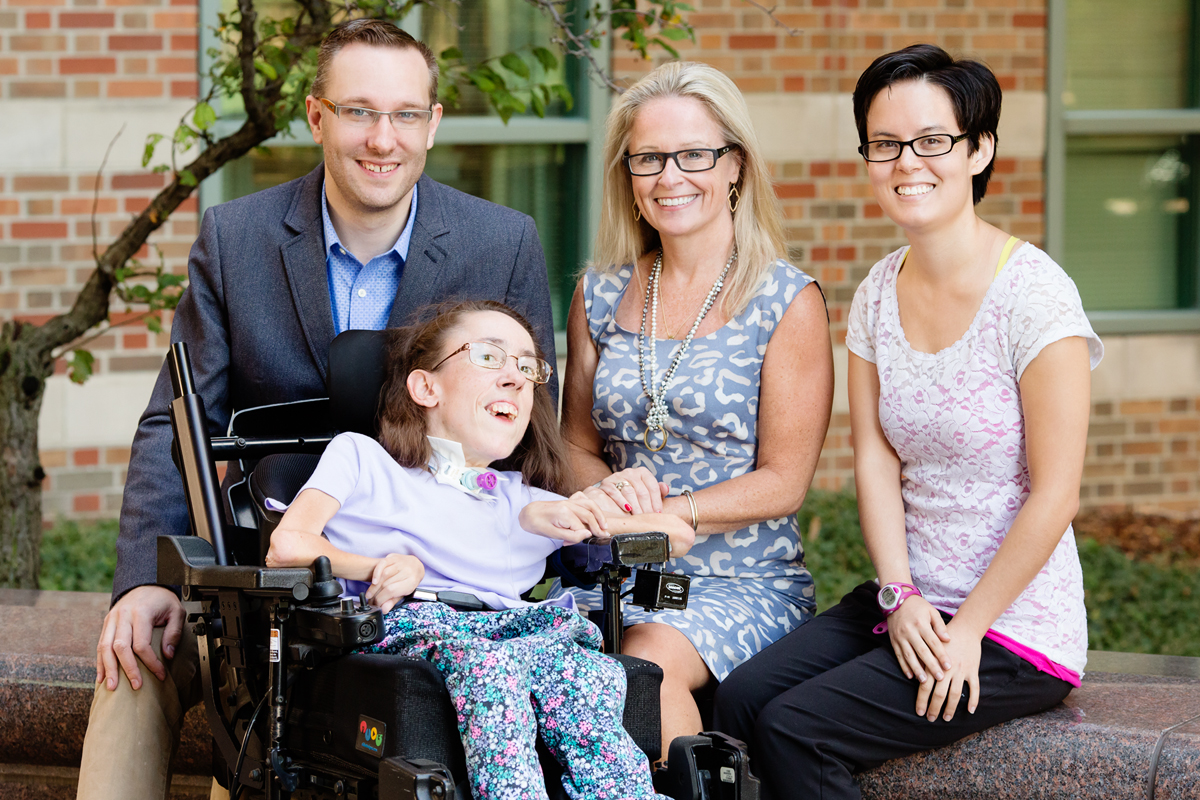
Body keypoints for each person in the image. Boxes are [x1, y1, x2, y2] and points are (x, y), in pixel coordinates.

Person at [78, 19, 556, 800]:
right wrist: (143, 582)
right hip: (267, 590)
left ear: (433, 125)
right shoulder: (238, 237)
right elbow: (177, 419)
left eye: (406, 114)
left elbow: (531, 427)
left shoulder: (499, 243)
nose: (382, 138)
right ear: (317, 116)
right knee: (132, 665)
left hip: (446, 598)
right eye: (359, 111)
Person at [712, 44, 1104, 800]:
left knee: (798, 726)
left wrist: (967, 632)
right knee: (739, 699)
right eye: (885, 145)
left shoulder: (1036, 299)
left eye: (932, 142)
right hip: (909, 601)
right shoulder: (878, 289)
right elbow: (875, 459)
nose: (906, 163)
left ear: (979, 148)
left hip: (1011, 629)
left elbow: (1057, 495)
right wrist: (900, 594)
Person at [264, 300, 695, 800]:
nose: (516, 377)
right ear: (426, 387)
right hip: (408, 623)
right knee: (491, 668)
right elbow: (287, 544)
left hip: (515, 633)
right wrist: (380, 565)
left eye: (527, 367)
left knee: (586, 673)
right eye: (490, 357)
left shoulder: (524, 500)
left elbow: (676, 537)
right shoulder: (362, 459)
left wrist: (593, 507)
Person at [550, 60, 834, 755]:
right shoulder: (600, 293)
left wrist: (674, 514)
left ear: (735, 164)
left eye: (694, 154)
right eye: (649, 158)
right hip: (613, 569)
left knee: (638, 667)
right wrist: (609, 490)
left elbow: (784, 479)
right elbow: (574, 446)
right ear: (628, 174)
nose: (669, 176)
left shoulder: (785, 301)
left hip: (738, 580)